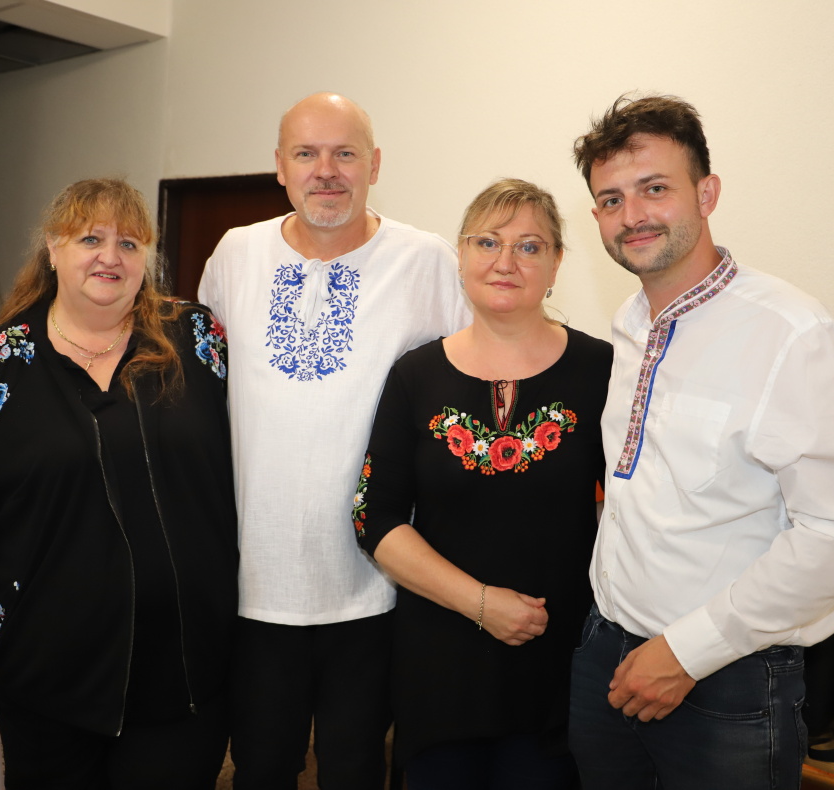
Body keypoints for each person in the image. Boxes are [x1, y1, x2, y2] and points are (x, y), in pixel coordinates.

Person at [565, 94, 834, 789]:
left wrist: (686, 652)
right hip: (606, 648)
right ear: (596, 218)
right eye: (612, 199)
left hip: (729, 679)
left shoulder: (791, 332)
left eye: (655, 189)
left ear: (706, 193)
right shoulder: (629, 323)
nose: (633, 214)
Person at [0, 178, 238, 789]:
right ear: (53, 247)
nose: (110, 256)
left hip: (185, 671)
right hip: (45, 678)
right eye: (90, 239)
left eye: (129, 243)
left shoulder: (197, 341)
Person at [196, 92, 468, 790]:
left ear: (374, 164)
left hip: (377, 582)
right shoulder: (235, 254)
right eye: (306, 153)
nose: (326, 171)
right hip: (254, 583)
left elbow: (468, 381)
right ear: (279, 166)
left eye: (345, 153)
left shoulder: (427, 260)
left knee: (356, 768)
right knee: (261, 768)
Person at [354, 178, 613, 789]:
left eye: (530, 246)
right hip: (440, 667)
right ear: (462, 255)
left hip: (559, 666)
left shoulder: (603, 370)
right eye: (488, 242)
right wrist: (480, 603)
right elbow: (374, 518)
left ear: (556, 264)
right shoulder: (415, 375)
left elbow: (636, 509)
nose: (506, 262)